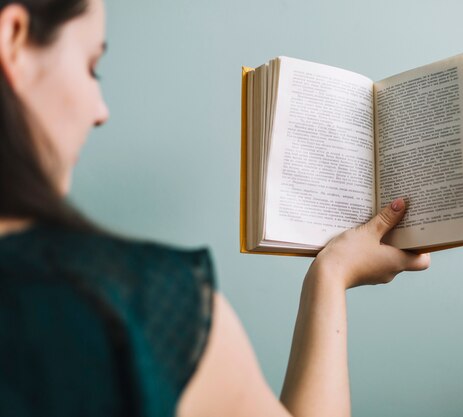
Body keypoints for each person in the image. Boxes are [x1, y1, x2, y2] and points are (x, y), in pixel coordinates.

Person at [0, 0, 431, 416]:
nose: (100, 111)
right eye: (91, 66)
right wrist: (332, 273)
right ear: (14, 39)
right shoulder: (147, 307)